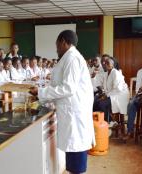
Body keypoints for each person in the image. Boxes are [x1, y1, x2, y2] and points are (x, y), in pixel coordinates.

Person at [30, 30, 95, 174]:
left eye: (57, 45)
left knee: (76, 150)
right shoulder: (69, 57)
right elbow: (60, 85)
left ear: (64, 42)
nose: (56, 49)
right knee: (72, 151)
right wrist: (45, 95)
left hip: (74, 113)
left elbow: (68, 88)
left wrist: (41, 93)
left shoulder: (72, 58)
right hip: (71, 110)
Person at [93, 57, 129, 124]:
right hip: (112, 94)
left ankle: (110, 122)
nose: (105, 64)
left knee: (101, 104)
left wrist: (106, 95)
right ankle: (99, 124)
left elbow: (118, 89)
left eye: (107, 63)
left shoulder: (115, 73)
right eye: (105, 63)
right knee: (95, 102)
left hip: (120, 96)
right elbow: (99, 83)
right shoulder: (106, 73)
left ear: (112, 65)